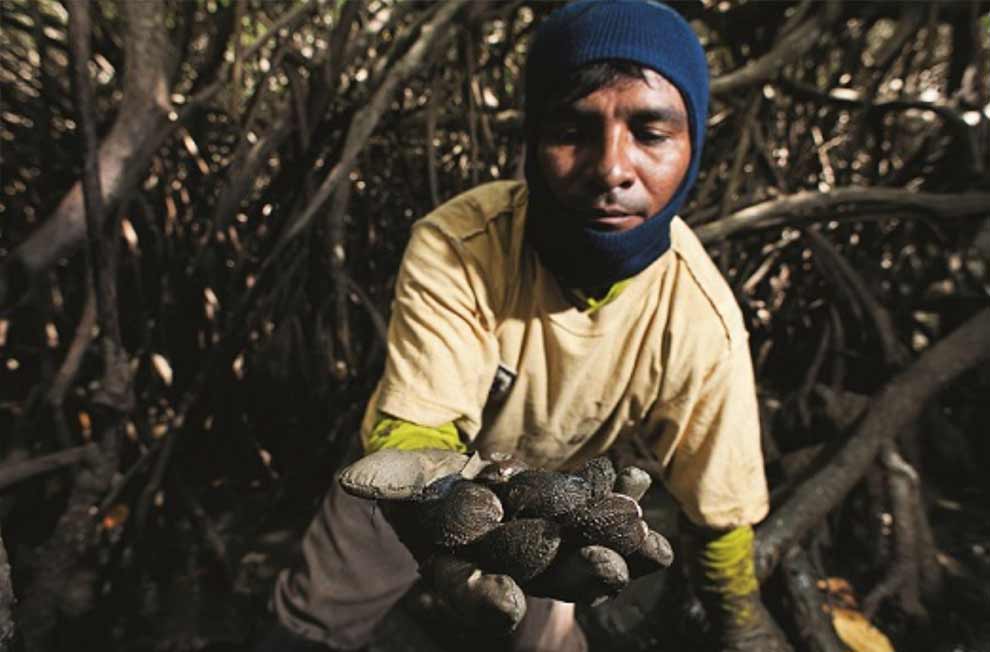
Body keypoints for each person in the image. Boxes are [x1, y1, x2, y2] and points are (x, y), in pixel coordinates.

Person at [261, 1, 791, 651]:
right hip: (409, 475)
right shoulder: (460, 244)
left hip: (553, 505)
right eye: (572, 129)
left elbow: (722, 505)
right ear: (532, 140)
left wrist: (742, 618)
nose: (612, 168)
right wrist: (433, 495)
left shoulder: (701, 319)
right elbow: (417, 421)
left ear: (694, 145)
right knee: (312, 625)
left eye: (651, 133)